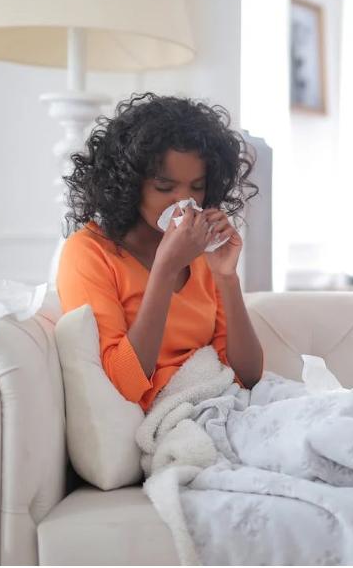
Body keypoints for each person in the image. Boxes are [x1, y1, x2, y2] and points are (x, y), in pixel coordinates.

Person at [56, 92, 263, 412]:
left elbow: (248, 376)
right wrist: (166, 270)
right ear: (129, 183)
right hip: (181, 416)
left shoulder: (202, 252)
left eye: (197, 186)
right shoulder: (89, 253)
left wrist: (227, 277)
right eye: (165, 187)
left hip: (228, 404)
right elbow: (121, 384)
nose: (184, 201)